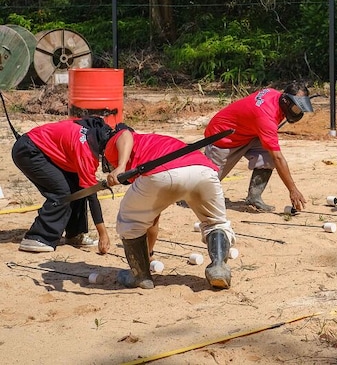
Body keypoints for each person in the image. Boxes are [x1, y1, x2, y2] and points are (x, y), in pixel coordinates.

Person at [104, 125, 236, 290]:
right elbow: (152, 215)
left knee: (129, 220)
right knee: (215, 222)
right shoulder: (155, 142)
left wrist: (120, 166)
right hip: (203, 170)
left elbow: (124, 134)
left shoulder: (117, 139)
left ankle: (139, 275)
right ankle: (218, 268)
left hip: (164, 172)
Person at [203, 82, 313, 212]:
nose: (298, 112)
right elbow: (278, 158)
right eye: (296, 108)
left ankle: (254, 197)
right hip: (222, 136)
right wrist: (293, 190)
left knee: (268, 156)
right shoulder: (266, 117)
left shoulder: (273, 94)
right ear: (286, 101)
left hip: (247, 133)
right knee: (204, 185)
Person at [11, 117, 113, 253]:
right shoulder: (86, 151)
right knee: (63, 192)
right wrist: (103, 234)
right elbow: (91, 194)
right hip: (29, 151)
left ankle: (74, 234)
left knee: (78, 186)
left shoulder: (91, 131)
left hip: (40, 148)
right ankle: (37, 237)